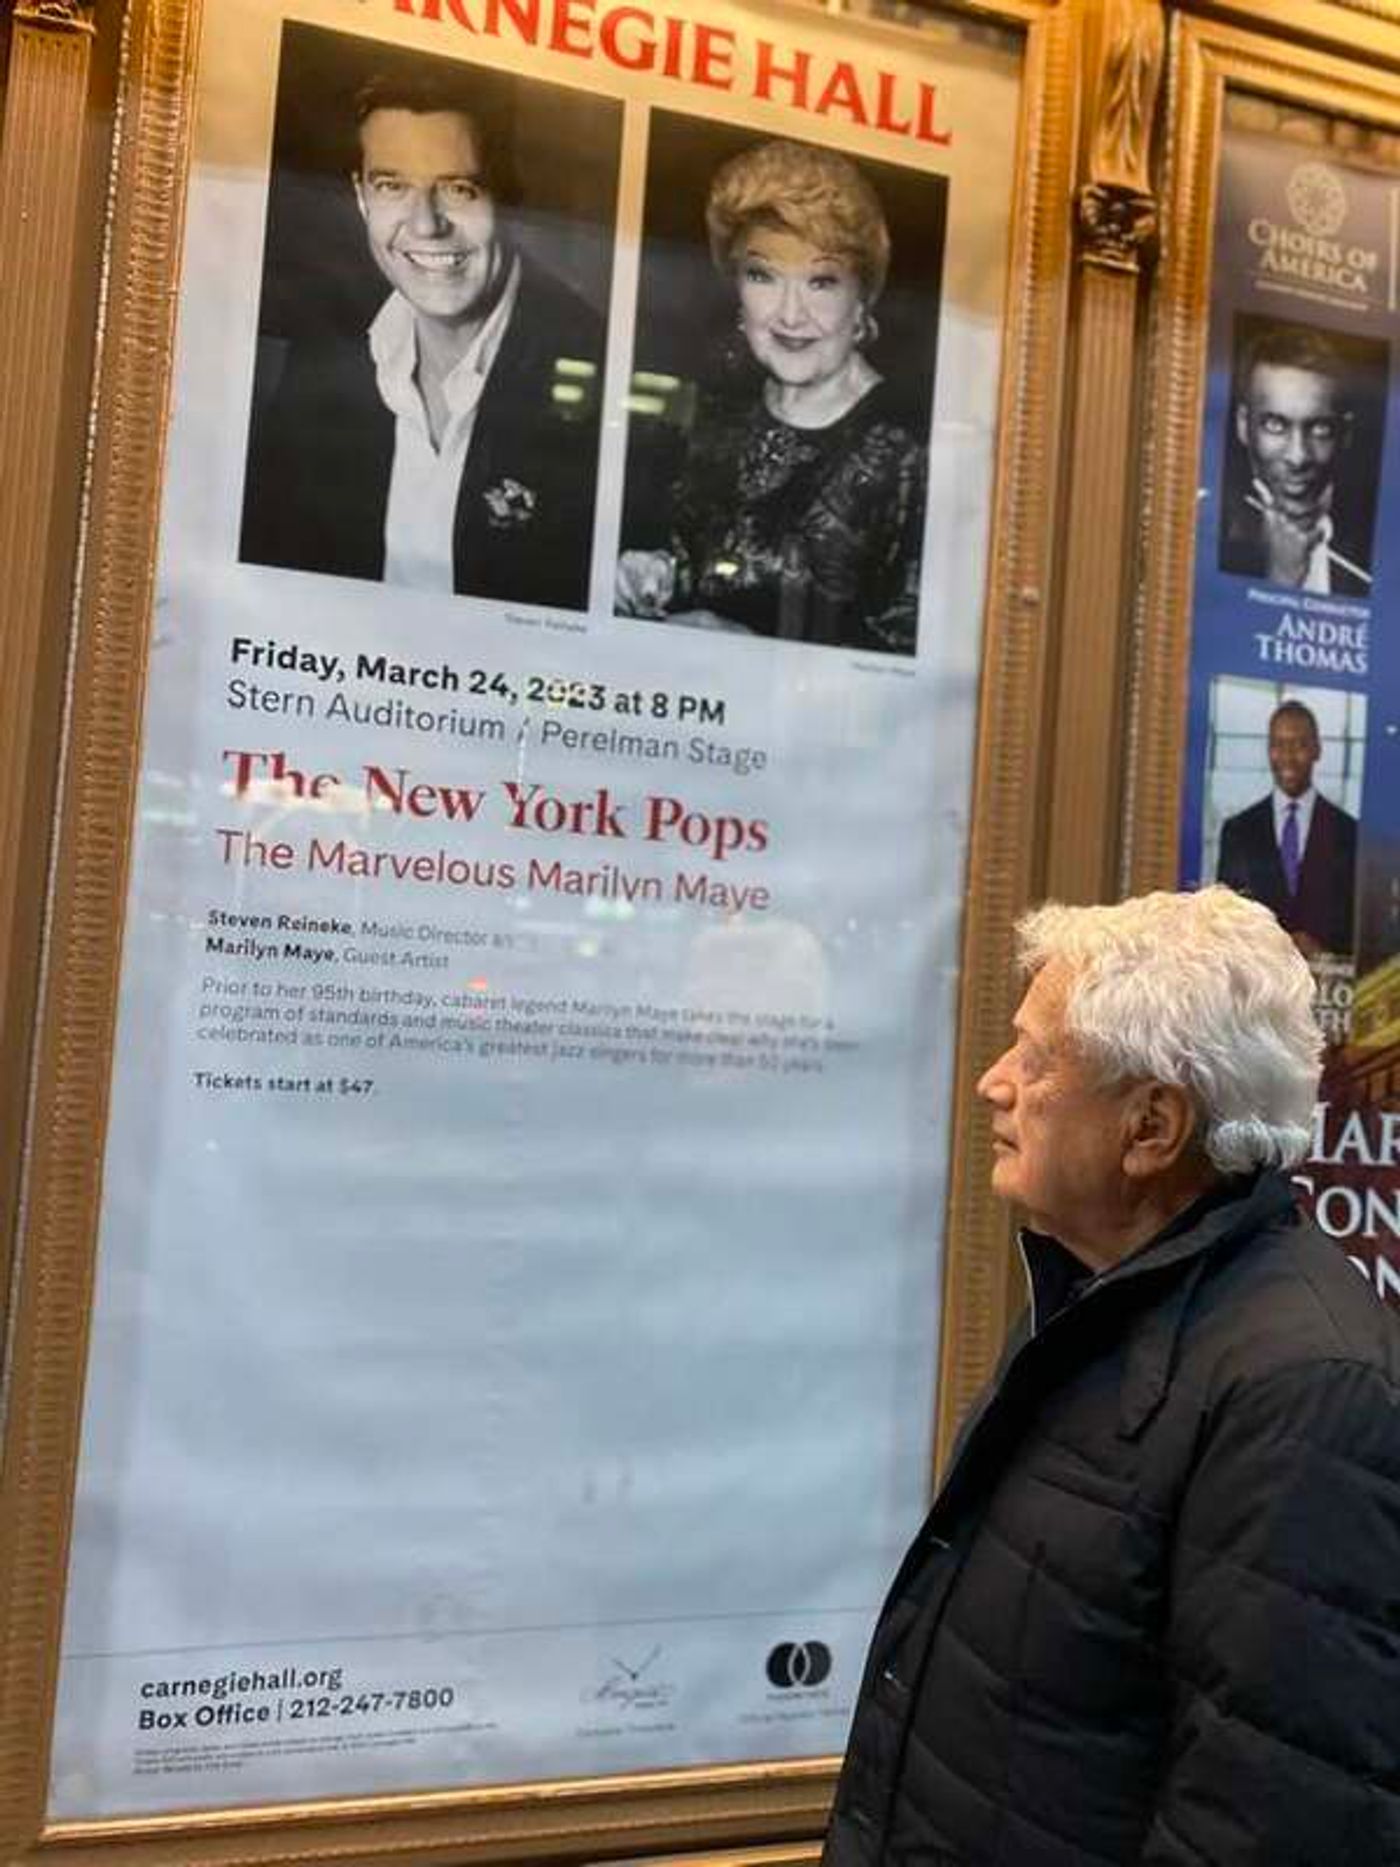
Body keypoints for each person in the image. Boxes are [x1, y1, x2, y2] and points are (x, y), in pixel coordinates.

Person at [825, 887, 1400, 1867]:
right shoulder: (1098, 1289)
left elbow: (1274, 1819)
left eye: (1035, 1059)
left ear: (1150, 1127)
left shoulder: (1300, 1389)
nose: (991, 1084)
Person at [241, 66, 606, 610]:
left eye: (459, 188)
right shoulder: (325, 359)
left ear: (508, 199)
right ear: (362, 196)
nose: (426, 224)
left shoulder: (596, 361)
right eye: (392, 186)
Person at [616, 139, 926, 654]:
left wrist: (753, 651)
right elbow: (715, 565)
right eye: (763, 275)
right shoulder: (714, 416)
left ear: (863, 297)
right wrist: (657, 572)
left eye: (821, 281)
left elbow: (910, 665)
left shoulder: (910, 449)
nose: (788, 315)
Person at [1220, 323, 1371, 594]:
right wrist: (1281, 577)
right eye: (1275, 425)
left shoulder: (1375, 545)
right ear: (1243, 425)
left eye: (1320, 429)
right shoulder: (1211, 532)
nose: (1298, 456)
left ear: (1345, 434)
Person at [1216, 698, 1357, 956]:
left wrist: (1327, 956)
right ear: (1269, 750)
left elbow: (1359, 927)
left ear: (1317, 749)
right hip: (1259, 986)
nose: (1288, 757)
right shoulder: (1237, 832)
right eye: (1278, 745)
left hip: (1329, 988)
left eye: (1300, 744)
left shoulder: (1351, 834)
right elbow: (1225, 927)